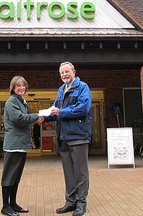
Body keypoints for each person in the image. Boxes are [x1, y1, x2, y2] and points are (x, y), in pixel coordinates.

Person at [41, 61, 92, 216]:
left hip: (78, 137)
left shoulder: (83, 87)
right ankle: (70, 202)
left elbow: (83, 108)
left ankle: (81, 203)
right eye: (62, 73)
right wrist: (43, 117)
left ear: (74, 72)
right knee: (69, 172)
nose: (64, 75)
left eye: (67, 72)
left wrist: (60, 112)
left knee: (80, 173)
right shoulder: (61, 89)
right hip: (63, 138)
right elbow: (55, 110)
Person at [1, 75, 43, 216]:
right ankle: (5, 206)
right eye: (18, 86)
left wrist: (34, 117)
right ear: (13, 88)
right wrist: (35, 116)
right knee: (9, 176)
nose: (21, 88)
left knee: (16, 176)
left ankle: (13, 203)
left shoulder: (21, 101)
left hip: (21, 145)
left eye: (23, 86)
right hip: (13, 145)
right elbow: (18, 119)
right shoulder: (12, 101)